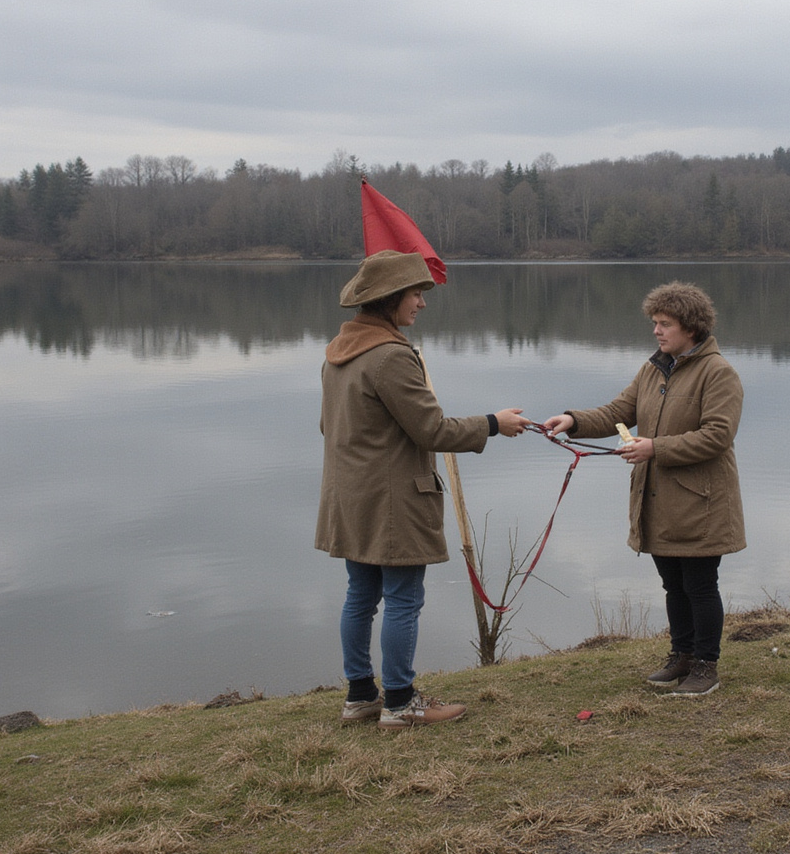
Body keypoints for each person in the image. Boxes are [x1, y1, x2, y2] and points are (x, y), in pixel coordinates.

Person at [316, 249, 529, 729]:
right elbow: (432, 431)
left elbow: (328, 426)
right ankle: (399, 703)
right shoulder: (390, 357)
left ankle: (359, 698)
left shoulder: (337, 353)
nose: (422, 303)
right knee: (404, 598)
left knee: (360, 595)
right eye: (416, 293)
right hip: (393, 502)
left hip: (350, 498)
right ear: (391, 299)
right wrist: (495, 423)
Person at [543, 281, 744, 697]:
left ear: (690, 327)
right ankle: (682, 656)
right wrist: (572, 420)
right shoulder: (653, 368)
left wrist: (656, 447)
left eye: (664, 323)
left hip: (702, 504)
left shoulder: (718, 372)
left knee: (701, 586)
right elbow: (619, 411)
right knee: (673, 585)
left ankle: (707, 667)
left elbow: (717, 436)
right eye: (654, 322)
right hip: (659, 501)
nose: (656, 330)